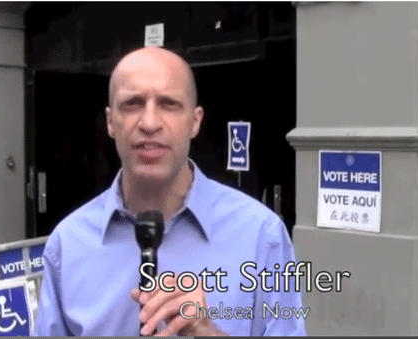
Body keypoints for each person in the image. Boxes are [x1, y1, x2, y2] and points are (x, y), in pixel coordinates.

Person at [33, 46, 307, 336]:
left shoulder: (262, 237)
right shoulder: (68, 245)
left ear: (195, 121)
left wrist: (206, 331)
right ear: (111, 122)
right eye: (133, 103)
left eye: (168, 104)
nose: (150, 123)